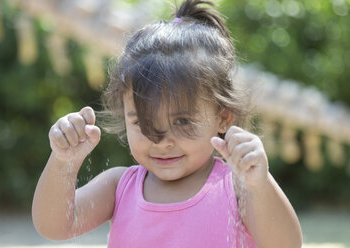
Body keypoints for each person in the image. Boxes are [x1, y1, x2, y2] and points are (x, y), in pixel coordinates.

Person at [32, 0, 302, 247]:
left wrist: (260, 183)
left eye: (182, 121)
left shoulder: (237, 187)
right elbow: (54, 226)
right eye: (144, 122)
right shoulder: (119, 186)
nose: (162, 141)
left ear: (223, 117)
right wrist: (63, 163)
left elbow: (287, 245)